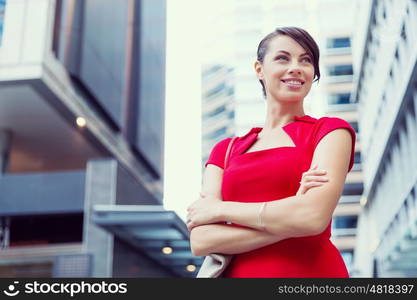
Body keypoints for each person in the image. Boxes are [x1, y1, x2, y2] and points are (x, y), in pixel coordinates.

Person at [187, 26, 356, 278]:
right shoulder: (225, 150)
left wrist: (221, 210)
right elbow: (201, 240)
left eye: (306, 60)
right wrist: (290, 217)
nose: (296, 67)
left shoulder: (330, 132)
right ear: (259, 70)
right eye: (282, 58)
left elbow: (311, 217)